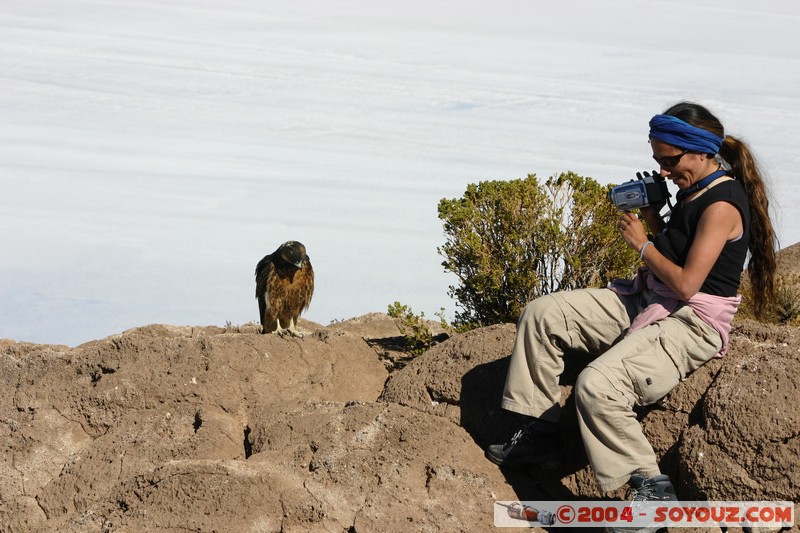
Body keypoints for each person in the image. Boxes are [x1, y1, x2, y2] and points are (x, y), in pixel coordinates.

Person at [485, 102, 777, 512]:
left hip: (692, 319)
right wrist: (655, 218)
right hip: (651, 296)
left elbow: (688, 283)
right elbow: (676, 253)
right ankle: (541, 431)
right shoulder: (693, 190)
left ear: (699, 151)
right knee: (543, 314)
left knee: (597, 384)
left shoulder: (722, 205)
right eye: (658, 161)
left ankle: (652, 491)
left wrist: (641, 243)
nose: (663, 171)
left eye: (669, 161)